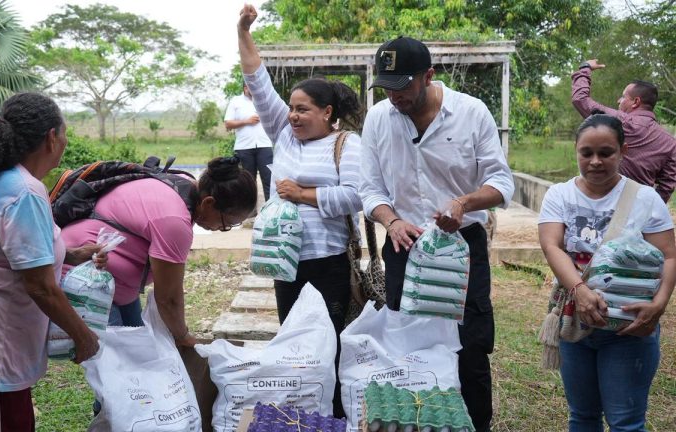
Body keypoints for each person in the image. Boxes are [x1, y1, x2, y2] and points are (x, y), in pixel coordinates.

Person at [359, 36, 514, 432]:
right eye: (386, 87)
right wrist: (391, 220)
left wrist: (463, 204)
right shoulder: (378, 118)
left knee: (472, 345)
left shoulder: (471, 112)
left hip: (461, 248)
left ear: (429, 76)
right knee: (406, 343)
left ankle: (476, 423)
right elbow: (370, 188)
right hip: (404, 244)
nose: (394, 96)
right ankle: (417, 422)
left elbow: (500, 181)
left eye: (403, 86)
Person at [0, 93, 104, 432]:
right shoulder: (24, 191)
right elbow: (40, 286)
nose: (66, 141)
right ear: (52, 137)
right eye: (65, 132)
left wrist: (73, 254)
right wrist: (82, 335)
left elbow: (8, 251)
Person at [238, 4, 363, 417]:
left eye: (303, 109)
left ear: (327, 113)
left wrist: (303, 194)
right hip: (284, 261)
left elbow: (358, 197)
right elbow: (257, 80)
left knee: (331, 339)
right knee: (292, 338)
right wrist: (243, 30)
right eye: (291, 107)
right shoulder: (284, 135)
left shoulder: (347, 145)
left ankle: (334, 415)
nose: (293, 115)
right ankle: (301, 413)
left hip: (328, 262)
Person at [538, 113, 675, 431]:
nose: (596, 161)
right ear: (576, 151)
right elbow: (552, 246)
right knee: (583, 417)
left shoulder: (645, 198)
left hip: (630, 329)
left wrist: (659, 305)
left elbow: (669, 255)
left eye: (606, 153)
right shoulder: (560, 195)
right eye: (587, 153)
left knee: (625, 422)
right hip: (576, 323)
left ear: (623, 152)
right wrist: (581, 292)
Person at [60, 156, 257, 345]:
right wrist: (183, 336)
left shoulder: (184, 184)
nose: (221, 230)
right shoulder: (174, 221)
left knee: (138, 352)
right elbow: (168, 298)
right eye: (227, 223)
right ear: (209, 202)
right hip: (86, 281)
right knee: (116, 361)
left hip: (117, 287)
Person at [571, 59, 676, 203]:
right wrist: (647, 211)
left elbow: (580, 99)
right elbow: (666, 187)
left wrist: (585, 68)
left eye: (623, 96)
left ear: (636, 102)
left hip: (600, 203)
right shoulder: (670, 142)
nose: (618, 101)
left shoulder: (621, 122)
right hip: (638, 211)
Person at [224, 83, 274, 201]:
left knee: (268, 178)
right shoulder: (236, 101)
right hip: (244, 146)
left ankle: (270, 210)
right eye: (249, 87)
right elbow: (228, 124)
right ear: (244, 88)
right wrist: (247, 121)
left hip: (264, 145)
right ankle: (250, 212)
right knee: (248, 181)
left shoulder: (265, 100)